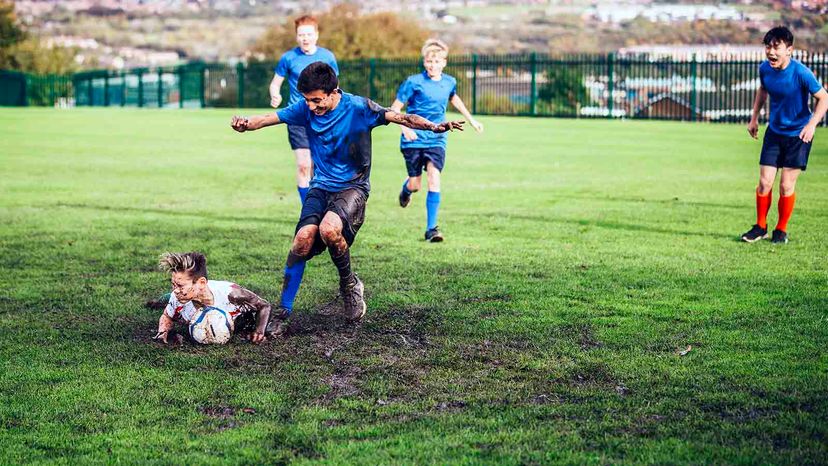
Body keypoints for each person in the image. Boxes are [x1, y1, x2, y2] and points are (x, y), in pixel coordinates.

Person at [232, 62, 463, 328]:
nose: (311, 106)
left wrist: (434, 127)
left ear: (333, 92)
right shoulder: (305, 108)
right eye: (307, 100)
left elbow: (401, 117)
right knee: (302, 241)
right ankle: (283, 312)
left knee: (330, 230)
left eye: (316, 100)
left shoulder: (358, 107)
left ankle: (349, 284)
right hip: (320, 186)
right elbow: (268, 119)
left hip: (353, 187)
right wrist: (245, 124)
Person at [390, 39, 484, 242]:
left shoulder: (449, 82)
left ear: (444, 62)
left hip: (437, 138)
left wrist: (472, 120)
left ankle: (431, 229)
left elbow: (454, 98)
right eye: (429, 61)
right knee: (416, 184)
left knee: (434, 177)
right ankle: (406, 191)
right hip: (413, 139)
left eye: (437, 61)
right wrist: (404, 127)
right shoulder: (413, 82)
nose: (432, 65)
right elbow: (394, 108)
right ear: (424, 62)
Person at [741, 26, 827, 244]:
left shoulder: (801, 73)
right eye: (767, 46)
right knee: (764, 183)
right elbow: (763, 89)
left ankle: (781, 229)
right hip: (774, 132)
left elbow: (824, 98)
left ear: (789, 49)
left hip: (798, 136)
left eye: (776, 47)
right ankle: (760, 227)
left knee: (786, 186)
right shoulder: (765, 69)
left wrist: (812, 125)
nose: (770, 52)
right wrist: (754, 118)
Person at [269, 15, 339, 204]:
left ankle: (321, 206)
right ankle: (307, 213)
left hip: (322, 117)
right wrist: (275, 94)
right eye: (301, 35)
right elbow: (275, 84)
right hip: (298, 117)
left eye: (308, 34)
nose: (305, 38)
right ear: (296, 36)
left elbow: (335, 88)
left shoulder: (327, 57)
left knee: (319, 166)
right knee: (303, 165)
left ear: (316, 35)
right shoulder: (288, 58)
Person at [152, 252, 275, 345]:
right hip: (188, 298)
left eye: (180, 285)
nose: (175, 290)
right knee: (167, 299)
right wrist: (162, 332)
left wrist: (259, 332)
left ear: (201, 283)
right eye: (173, 284)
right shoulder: (176, 298)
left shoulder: (233, 295)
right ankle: (161, 300)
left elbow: (264, 305)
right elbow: (167, 316)